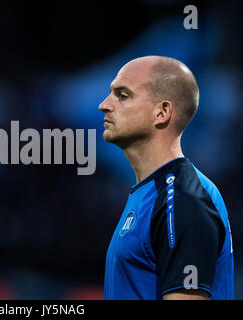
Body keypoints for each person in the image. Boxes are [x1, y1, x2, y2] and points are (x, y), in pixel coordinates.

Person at [99, 56, 234, 300]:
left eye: (122, 95)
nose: (104, 105)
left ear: (161, 112)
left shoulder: (183, 199)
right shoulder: (152, 192)